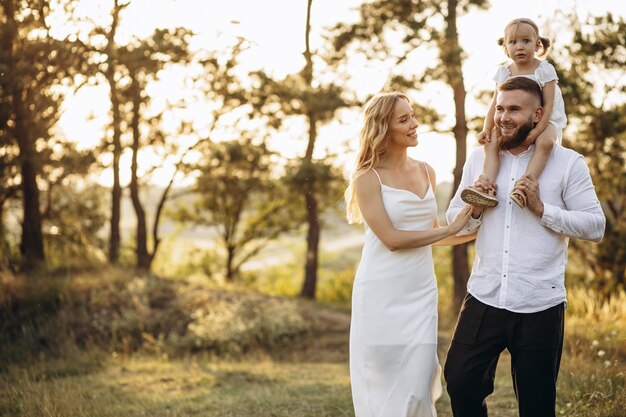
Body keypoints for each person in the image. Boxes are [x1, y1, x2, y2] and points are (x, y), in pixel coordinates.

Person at [444, 76, 605, 417]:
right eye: (500, 108)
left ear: (539, 114)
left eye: (514, 109)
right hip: (485, 295)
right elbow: (453, 221)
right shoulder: (479, 159)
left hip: (539, 302)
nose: (503, 117)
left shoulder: (568, 163)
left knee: (536, 404)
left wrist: (542, 210)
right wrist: (475, 206)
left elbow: (595, 226)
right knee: (460, 381)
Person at [345, 91, 475, 417]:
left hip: (420, 293)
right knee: (383, 387)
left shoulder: (427, 171)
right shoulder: (367, 178)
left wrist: (475, 231)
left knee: (418, 388)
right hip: (380, 295)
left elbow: (429, 236)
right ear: (382, 128)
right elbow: (392, 239)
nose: (415, 124)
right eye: (404, 119)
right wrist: (448, 229)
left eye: (413, 115)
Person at [461, 18, 567, 209]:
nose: (519, 47)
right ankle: (485, 186)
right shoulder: (504, 71)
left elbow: (549, 105)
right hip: (514, 121)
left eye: (525, 41)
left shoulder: (544, 69)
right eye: (513, 42)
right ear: (505, 48)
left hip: (546, 120)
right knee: (491, 143)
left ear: (537, 45)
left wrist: (536, 132)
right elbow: (495, 104)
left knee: (546, 143)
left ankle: (525, 185)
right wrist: (487, 128)